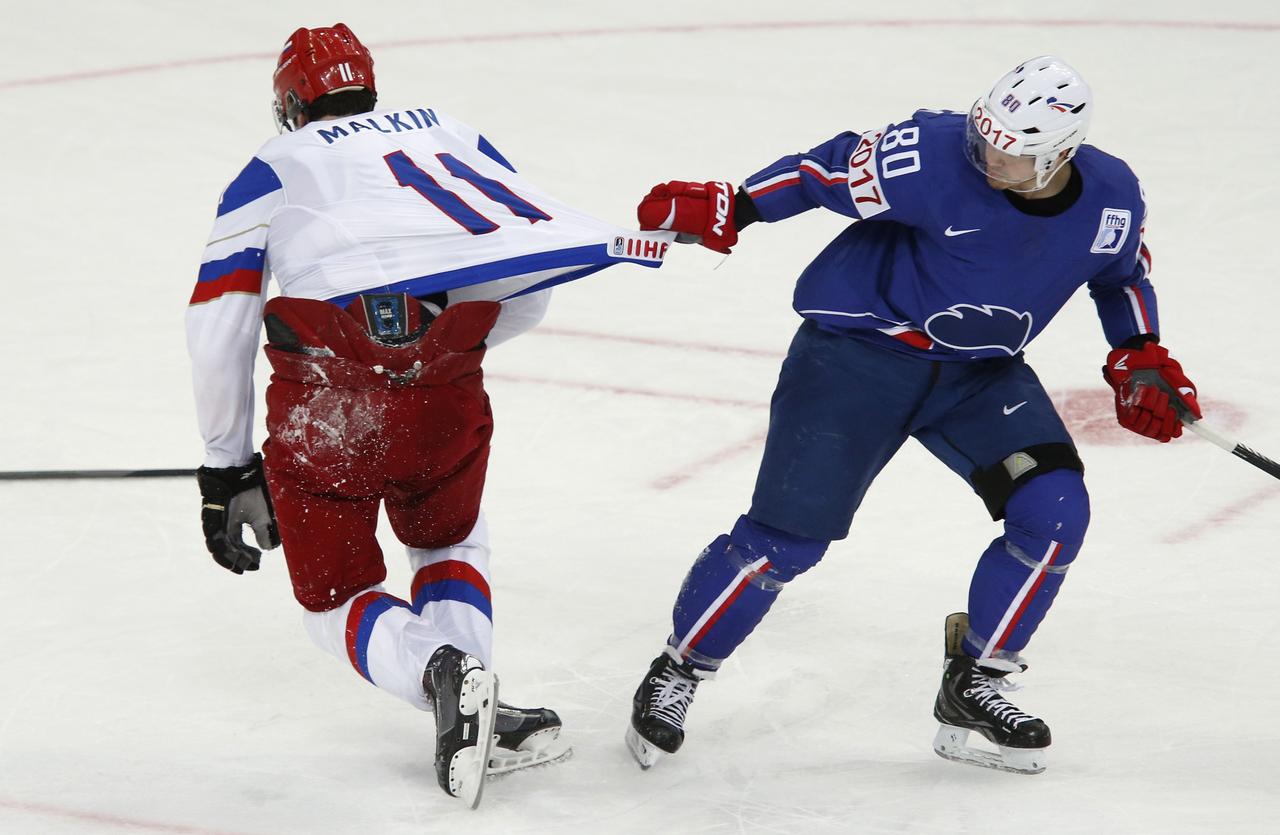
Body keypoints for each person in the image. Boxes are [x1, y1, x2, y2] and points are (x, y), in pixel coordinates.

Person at [624, 56, 1200, 775]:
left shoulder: (1111, 197)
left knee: (1055, 513)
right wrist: (733, 206)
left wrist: (1139, 352)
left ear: (1059, 154)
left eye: (1011, 153)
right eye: (986, 137)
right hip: (855, 358)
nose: (988, 156)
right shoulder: (932, 153)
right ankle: (681, 666)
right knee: (784, 543)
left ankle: (977, 679)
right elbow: (822, 173)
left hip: (979, 376)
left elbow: (1123, 276)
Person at [186, 23, 671, 807]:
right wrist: (441, 358)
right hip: (444, 392)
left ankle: (438, 674)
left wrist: (226, 463)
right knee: (448, 536)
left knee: (333, 599)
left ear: (289, 104)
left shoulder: (270, 167)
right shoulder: (452, 131)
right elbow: (524, 268)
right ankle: (478, 697)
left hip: (327, 408)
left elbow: (219, 323)